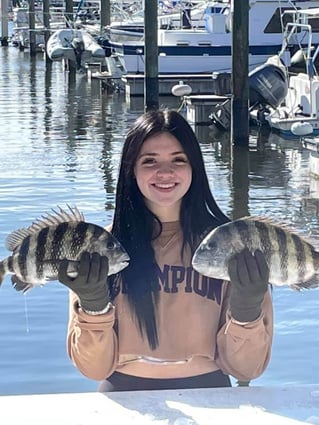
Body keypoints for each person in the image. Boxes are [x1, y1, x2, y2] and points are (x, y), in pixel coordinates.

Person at [58, 109, 273, 392]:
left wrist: (247, 310)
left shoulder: (230, 245)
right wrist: (94, 307)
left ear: (194, 168)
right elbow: (94, 368)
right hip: (123, 397)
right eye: (149, 161)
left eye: (178, 160)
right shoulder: (99, 248)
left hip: (210, 395)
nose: (165, 172)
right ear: (130, 170)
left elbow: (247, 369)